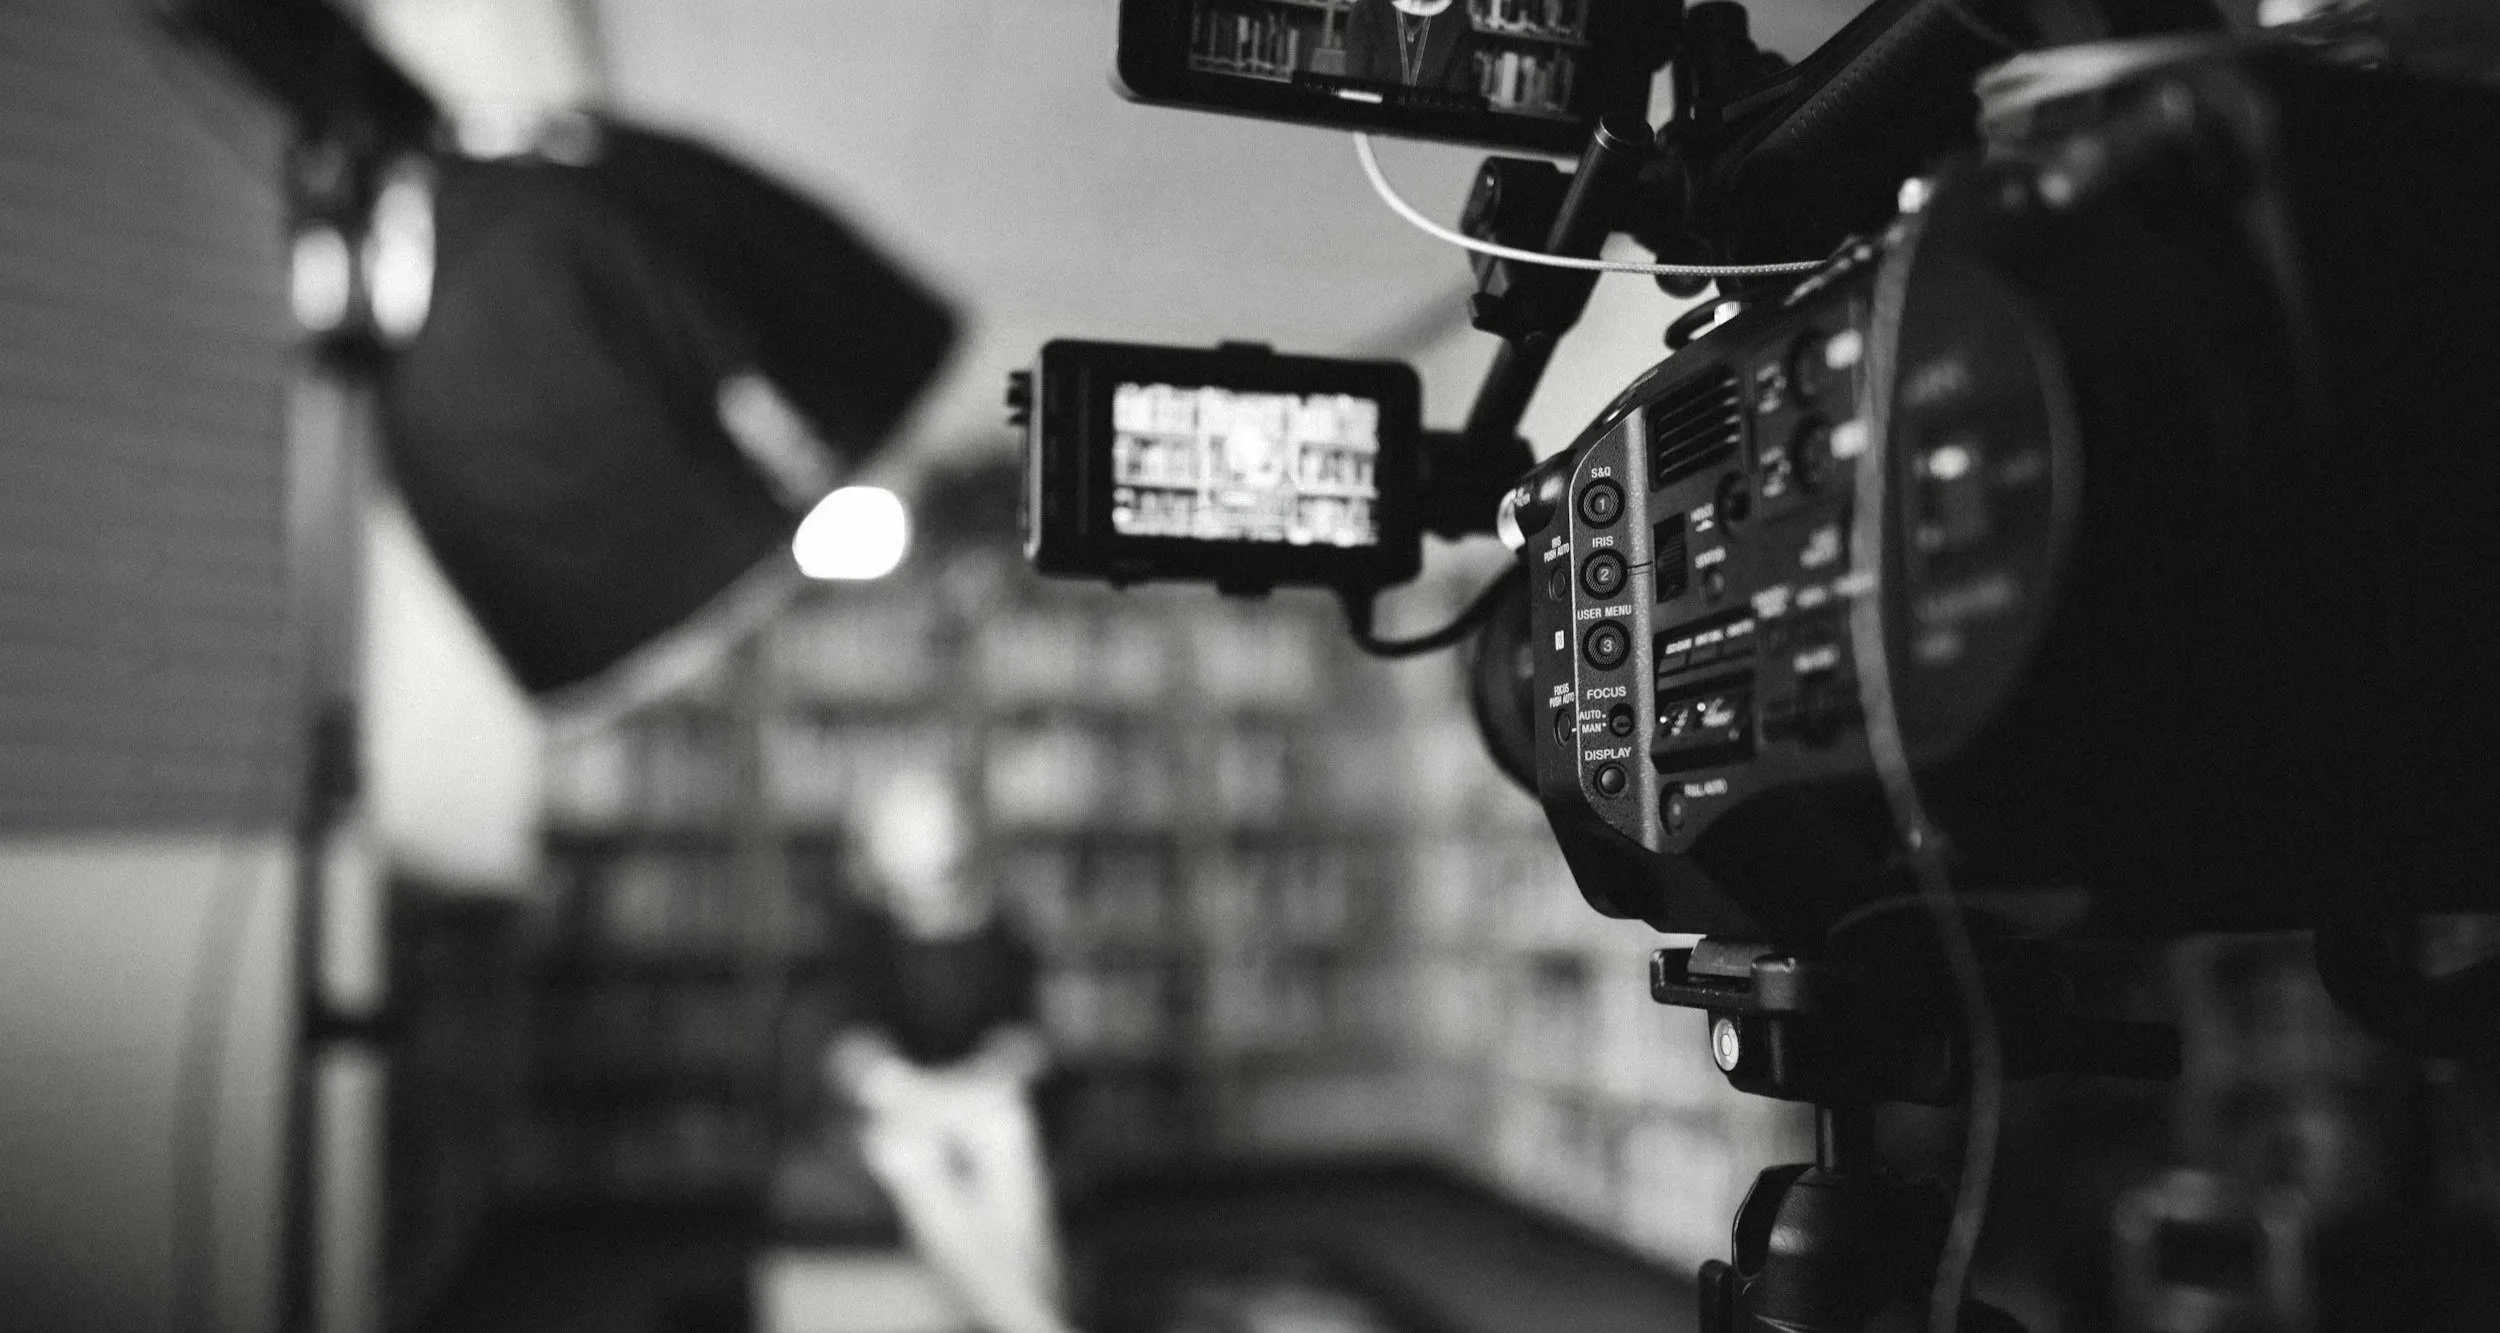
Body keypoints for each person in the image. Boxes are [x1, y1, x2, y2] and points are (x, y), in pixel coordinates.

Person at [824, 765, 1075, 1333]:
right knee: (912, 1164)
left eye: (926, 822)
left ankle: (1025, 1316)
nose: (913, 837)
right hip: (901, 1104)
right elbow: (848, 1042)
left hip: (984, 1096)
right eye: (898, 826)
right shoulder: (860, 929)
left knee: (1008, 1153)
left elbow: (1028, 1034)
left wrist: (990, 1076)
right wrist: (900, 1087)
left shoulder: (1001, 924)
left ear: (956, 831)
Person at [1344, 0, 1480, 95]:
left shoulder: (1459, 22)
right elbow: (1356, 93)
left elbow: (1457, 100)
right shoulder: (1366, 10)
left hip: (1430, 131)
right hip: (1372, 127)